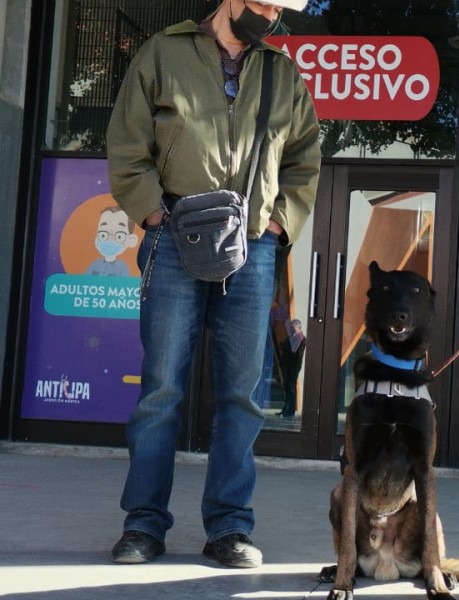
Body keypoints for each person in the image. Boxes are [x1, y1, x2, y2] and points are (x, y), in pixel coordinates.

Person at [106, 0, 320, 569]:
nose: (272, 16)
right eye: (265, 4)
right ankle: (143, 527)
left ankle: (229, 529)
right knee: (161, 391)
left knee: (242, 395)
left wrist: (277, 226)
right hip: (174, 238)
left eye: (280, 8)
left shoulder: (283, 72)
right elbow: (128, 146)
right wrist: (154, 214)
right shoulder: (162, 52)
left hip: (250, 250)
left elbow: (303, 158)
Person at [277, 318, 305, 417]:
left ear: (297, 326)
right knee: (287, 387)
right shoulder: (293, 337)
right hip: (289, 365)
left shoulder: (300, 337)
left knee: (291, 387)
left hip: (293, 366)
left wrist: (285, 346)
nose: (291, 329)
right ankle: (286, 408)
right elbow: (283, 345)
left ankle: (290, 410)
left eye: (293, 327)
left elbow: (290, 348)